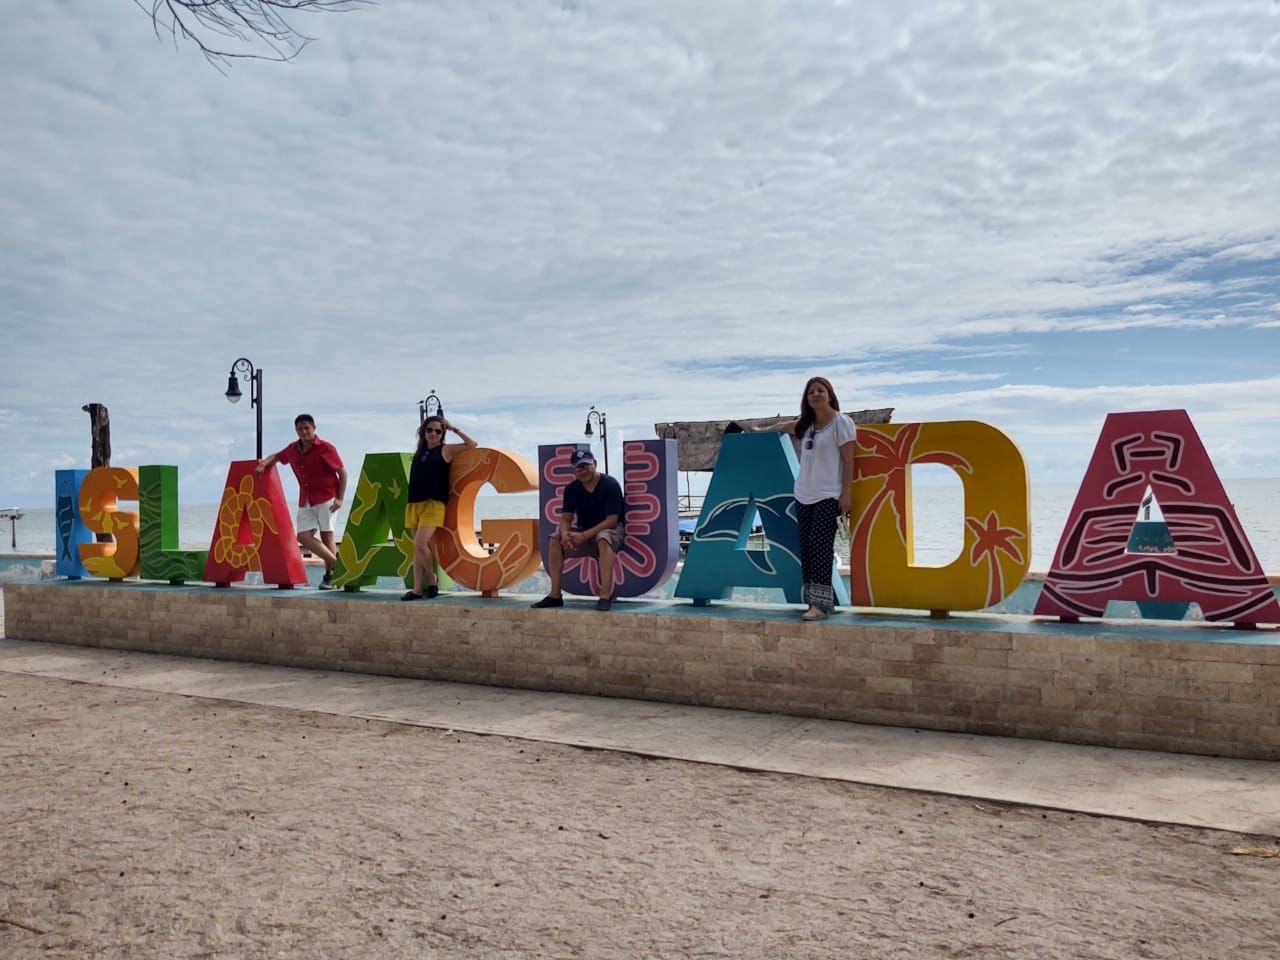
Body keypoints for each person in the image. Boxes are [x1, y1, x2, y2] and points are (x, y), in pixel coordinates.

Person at [759, 376, 856, 621]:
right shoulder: (807, 426)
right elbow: (783, 426)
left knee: (820, 546)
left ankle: (822, 606)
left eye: (820, 390)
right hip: (804, 495)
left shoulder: (841, 423)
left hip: (828, 495)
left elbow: (848, 461)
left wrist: (846, 493)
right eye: (811, 392)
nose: (815, 395)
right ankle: (813, 602)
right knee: (807, 549)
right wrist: (760, 430)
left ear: (830, 395)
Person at [255, 414, 348, 590]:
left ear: (314, 428)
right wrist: (264, 463)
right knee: (303, 536)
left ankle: (329, 576)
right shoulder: (293, 449)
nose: (304, 432)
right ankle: (336, 563)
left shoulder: (326, 448)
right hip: (306, 498)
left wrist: (340, 498)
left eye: (307, 428)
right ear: (296, 430)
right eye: (300, 429)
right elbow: (278, 456)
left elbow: (342, 473)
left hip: (327, 496)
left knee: (326, 535)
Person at [531, 449, 626, 612]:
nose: (582, 470)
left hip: (610, 530)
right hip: (585, 531)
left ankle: (605, 595)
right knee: (555, 539)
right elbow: (566, 517)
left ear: (594, 464)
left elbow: (611, 521)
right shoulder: (572, 489)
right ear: (573, 471)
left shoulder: (610, 484)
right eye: (578, 467)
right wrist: (565, 534)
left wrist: (584, 536)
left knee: (603, 538)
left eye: (585, 465)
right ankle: (555, 595)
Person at [401, 415, 477, 601]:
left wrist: (453, 429)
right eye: (429, 430)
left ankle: (432, 579)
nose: (433, 434)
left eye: (438, 431)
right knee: (417, 549)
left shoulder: (446, 450)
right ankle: (417, 589)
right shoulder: (420, 451)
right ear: (423, 432)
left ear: (442, 433)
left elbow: (472, 445)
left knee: (420, 543)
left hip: (434, 504)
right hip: (414, 503)